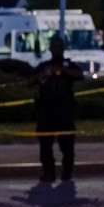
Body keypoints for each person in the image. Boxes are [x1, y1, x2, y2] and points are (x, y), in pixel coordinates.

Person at [33, 36, 84, 183]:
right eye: (54, 46)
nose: (56, 49)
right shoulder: (44, 66)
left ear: (63, 48)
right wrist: (44, 75)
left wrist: (63, 71)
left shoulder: (69, 65)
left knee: (67, 146)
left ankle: (66, 174)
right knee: (45, 146)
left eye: (59, 46)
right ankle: (48, 173)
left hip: (64, 111)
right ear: (50, 48)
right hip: (46, 111)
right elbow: (29, 81)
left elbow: (80, 75)